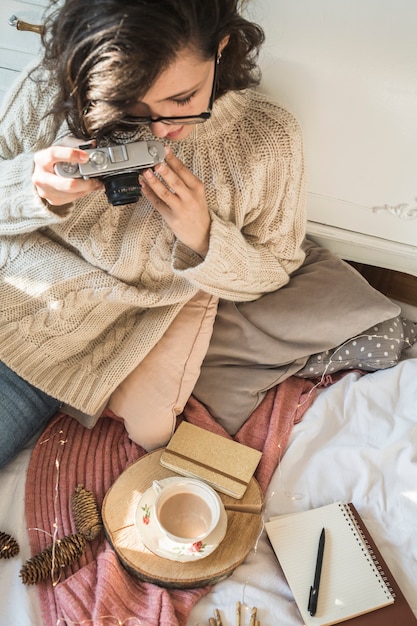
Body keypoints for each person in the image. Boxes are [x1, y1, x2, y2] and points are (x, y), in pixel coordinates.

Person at [0, 0, 398, 468]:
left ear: (222, 47)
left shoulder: (265, 140)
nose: (163, 131)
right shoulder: (48, 89)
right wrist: (29, 186)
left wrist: (204, 237)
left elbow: (276, 267)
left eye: (182, 99)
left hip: (41, 353)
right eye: (131, 108)